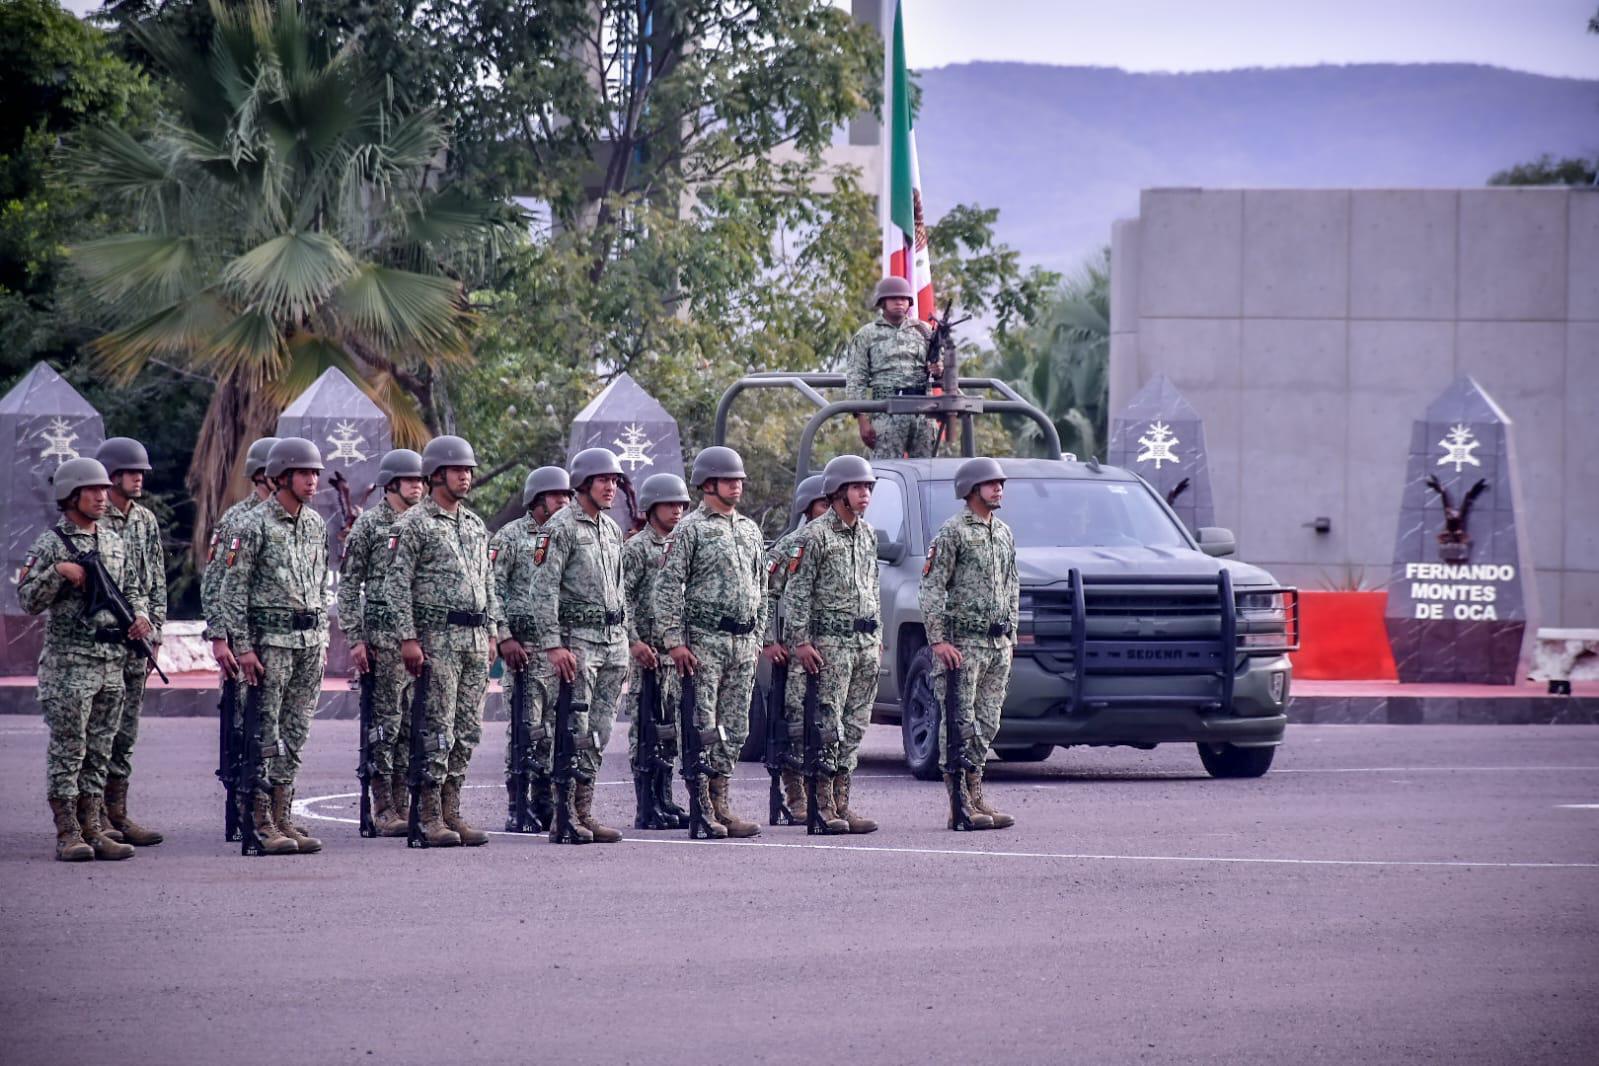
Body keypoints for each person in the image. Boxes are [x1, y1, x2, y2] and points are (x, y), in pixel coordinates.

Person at [20, 458, 151, 861]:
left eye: (102, 489)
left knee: (100, 749)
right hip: (70, 664)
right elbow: (27, 600)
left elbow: (134, 587)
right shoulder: (51, 543)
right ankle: (68, 832)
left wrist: (142, 616)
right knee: (69, 749)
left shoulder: (113, 540)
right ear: (71, 495)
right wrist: (57, 572)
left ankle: (94, 826)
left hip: (112, 661)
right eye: (91, 490)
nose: (101, 496)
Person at [385, 435, 506, 848]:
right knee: (437, 729)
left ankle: (452, 810)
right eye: (458, 470)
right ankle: (429, 815)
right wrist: (408, 637)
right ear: (436, 474)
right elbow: (396, 585)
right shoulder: (413, 524)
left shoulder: (473, 525)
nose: (466, 477)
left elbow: (487, 582)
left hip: (474, 640)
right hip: (437, 638)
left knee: (468, 730)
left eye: (469, 470)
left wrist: (492, 631)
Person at [216, 437, 331, 855]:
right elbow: (234, 589)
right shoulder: (253, 525)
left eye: (316, 473)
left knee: (295, 733)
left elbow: (318, 585)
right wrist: (244, 647)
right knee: (264, 732)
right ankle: (259, 820)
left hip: (307, 643)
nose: (313, 480)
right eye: (305, 473)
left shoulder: (315, 524)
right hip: (270, 645)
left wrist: (322, 637)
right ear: (281, 475)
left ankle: (282, 815)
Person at [657, 446, 767, 839]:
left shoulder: (750, 530)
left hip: (741, 643)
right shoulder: (690, 529)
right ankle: (701, 807)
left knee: (734, 729)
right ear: (708, 483)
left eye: (739, 480)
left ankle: (722, 803)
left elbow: (762, 588)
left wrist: (757, 636)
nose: (737, 486)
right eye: (729, 479)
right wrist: (674, 641)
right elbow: (668, 586)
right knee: (702, 727)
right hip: (705, 642)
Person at [527, 448, 630, 844]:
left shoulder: (610, 529)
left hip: (611, 643)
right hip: (577, 644)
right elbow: (543, 589)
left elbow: (618, 590)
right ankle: (563, 815)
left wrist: (623, 639)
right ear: (584, 483)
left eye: (615, 481)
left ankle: (584, 812)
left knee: (598, 732)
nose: (611, 487)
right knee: (571, 730)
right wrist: (553, 645)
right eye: (604, 480)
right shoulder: (560, 527)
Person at [781, 455, 883, 833]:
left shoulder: (868, 534)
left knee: (854, 727)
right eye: (858, 487)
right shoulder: (814, 536)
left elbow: (872, 588)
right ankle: (821, 804)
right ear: (838, 492)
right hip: (830, 645)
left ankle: (842, 803)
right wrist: (801, 642)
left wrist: (878, 636)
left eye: (868, 487)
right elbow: (797, 593)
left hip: (864, 644)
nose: (865, 494)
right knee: (827, 727)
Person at [917, 456, 1018, 831]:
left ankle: (977, 796)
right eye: (991, 483)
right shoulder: (953, 532)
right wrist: (938, 641)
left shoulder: (1003, 532)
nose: (998, 489)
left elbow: (1012, 584)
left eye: (1000, 483)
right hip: (963, 645)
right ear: (971, 489)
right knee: (959, 725)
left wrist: (1012, 632)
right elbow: (930, 587)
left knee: (987, 722)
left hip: (996, 644)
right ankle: (958, 802)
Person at [337, 448, 426, 837]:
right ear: (392, 484)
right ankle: (383, 805)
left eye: (422, 481)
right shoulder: (370, 527)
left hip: (416, 640)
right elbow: (348, 586)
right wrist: (355, 639)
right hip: (382, 643)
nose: (419, 487)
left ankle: (403, 804)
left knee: (411, 725)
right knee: (384, 726)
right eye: (411, 481)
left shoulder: (424, 524)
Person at [491, 465, 573, 832]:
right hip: (523, 650)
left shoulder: (567, 535)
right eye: (557, 495)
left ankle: (546, 803)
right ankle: (517, 804)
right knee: (526, 729)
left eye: (568, 495)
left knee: (556, 732)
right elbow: (491, 588)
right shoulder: (509, 538)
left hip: (559, 649)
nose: (564, 501)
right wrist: (504, 636)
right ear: (537, 499)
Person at [95, 437, 167, 847]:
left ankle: (117, 812)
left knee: (125, 731)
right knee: (99, 731)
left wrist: (155, 629)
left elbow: (155, 578)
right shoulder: (95, 520)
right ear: (111, 476)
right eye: (130, 472)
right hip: (104, 640)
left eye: (141, 472)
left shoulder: (145, 520)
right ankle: (94, 815)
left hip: (138, 641)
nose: (138, 478)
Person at [622, 472, 693, 830]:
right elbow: (624, 600)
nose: (677, 510)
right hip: (647, 655)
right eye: (669, 504)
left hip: (674, 657)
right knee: (645, 731)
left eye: (681, 504)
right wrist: (634, 642)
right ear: (651, 508)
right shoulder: (637, 549)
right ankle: (645, 806)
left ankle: (665, 800)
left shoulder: (682, 544)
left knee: (670, 733)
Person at [760, 474, 829, 823]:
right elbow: (766, 592)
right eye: (823, 503)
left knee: (828, 726)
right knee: (795, 725)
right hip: (795, 650)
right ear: (808, 507)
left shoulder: (843, 540)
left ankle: (825, 796)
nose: (829, 509)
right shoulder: (793, 543)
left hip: (833, 647)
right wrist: (770, 640)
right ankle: (796, 796)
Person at [203, 436, 279, 681]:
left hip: (283, 640)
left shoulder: (295, 519)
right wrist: (218, 638)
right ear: (260, 474)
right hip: (244, 638)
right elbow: (214, 581)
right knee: (242, 715)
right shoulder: (236, 519)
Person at [844, 275, 940, 459]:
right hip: (887, 412)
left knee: (926, 474)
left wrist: (939, 369)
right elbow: (857, 378)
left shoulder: (925, 331)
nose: (899, 302)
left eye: (904, 298)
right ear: (882, 302)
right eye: (894, 298)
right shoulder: (867, 334)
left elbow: (941, 369)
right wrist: (862, 420)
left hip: (922, 412)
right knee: (886, 472)